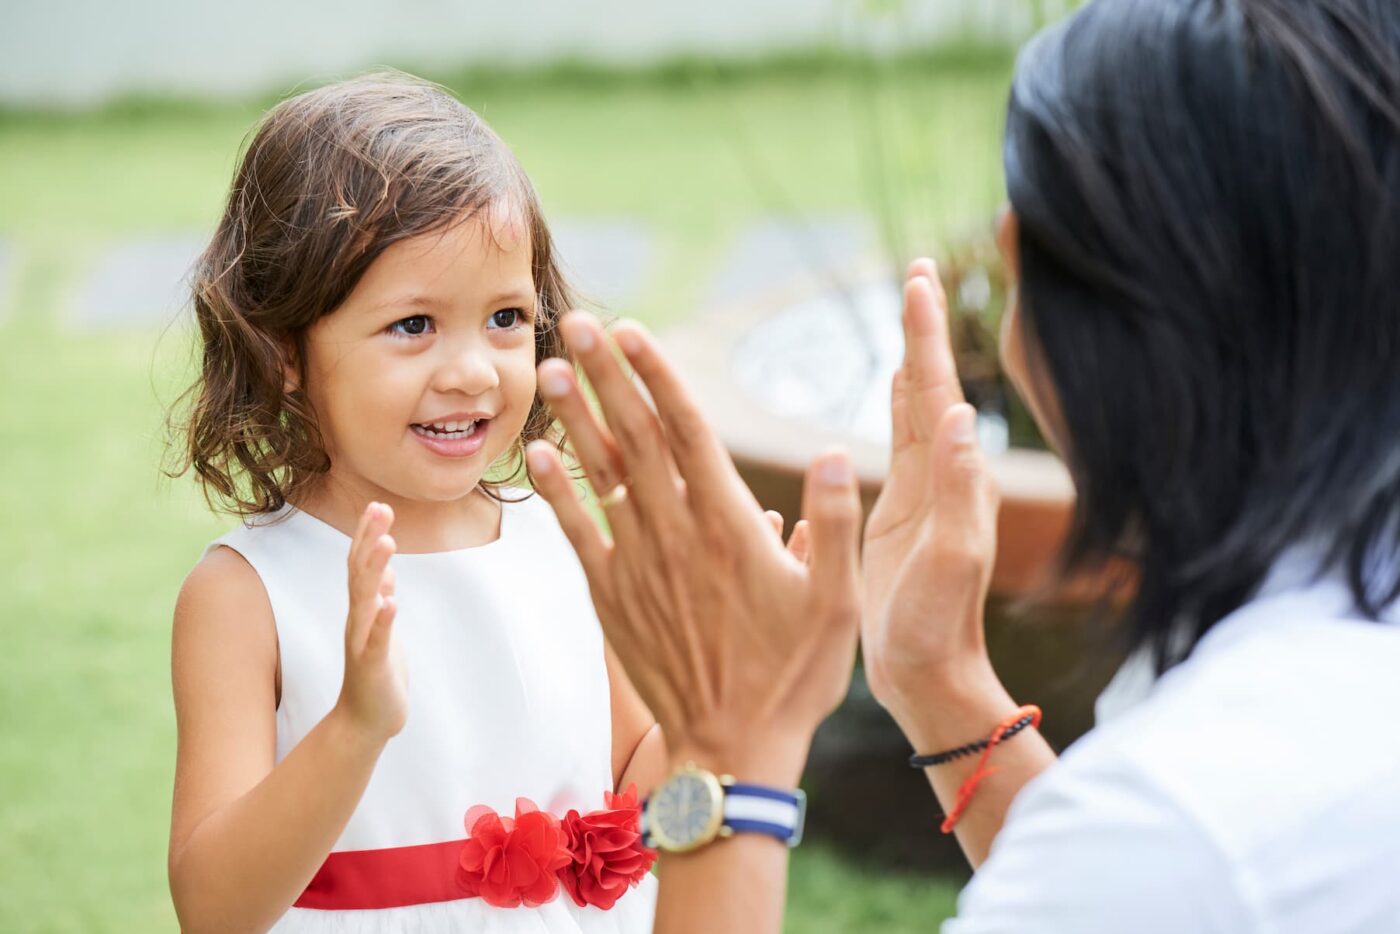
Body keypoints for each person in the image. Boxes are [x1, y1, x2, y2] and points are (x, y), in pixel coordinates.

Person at [524, 0, 1400, 930]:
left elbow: (1153, 869)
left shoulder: (1184, 820)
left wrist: (728, 744)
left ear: (1023, 267)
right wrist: (937, 678)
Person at [165, 73, 664, 932]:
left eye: (505, 317)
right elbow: (214, 909)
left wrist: (737, 688)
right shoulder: (245, 595)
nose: (472, 371)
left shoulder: (564, 543)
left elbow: (639, 792)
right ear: (284, 352)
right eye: (413, 325)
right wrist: (355, 726)